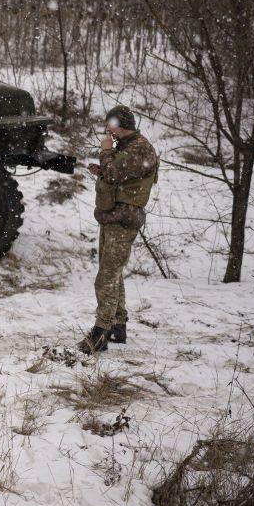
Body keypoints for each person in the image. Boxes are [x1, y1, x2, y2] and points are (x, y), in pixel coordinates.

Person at [79, 105, 158, 354]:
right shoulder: (128, 147)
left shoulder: (139, 148)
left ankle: (100, 333)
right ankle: (117, 326)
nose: (106, 129)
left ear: (118, 124)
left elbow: (114, 173)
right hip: (113, 218)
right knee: (113, 274)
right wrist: (103, 167)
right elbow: (118, 174)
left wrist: (105, 154)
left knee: (106, 278)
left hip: (123, 221)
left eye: (109, 123)